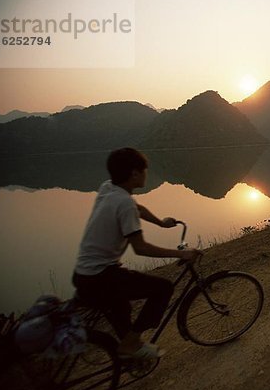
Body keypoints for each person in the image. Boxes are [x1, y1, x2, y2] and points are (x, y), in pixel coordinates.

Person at [72, 148, 202, 359]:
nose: (146, 174)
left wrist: (160, 223)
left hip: (84, 275)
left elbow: (137, 208)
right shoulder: (124, 204)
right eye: (144, 170)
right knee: (163, 288)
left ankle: (128, 353)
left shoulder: (109, 188)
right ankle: (130, 345)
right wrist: (182, 255)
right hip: (101, 277)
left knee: (122, 307)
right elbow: (140, 248)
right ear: (134, 174)